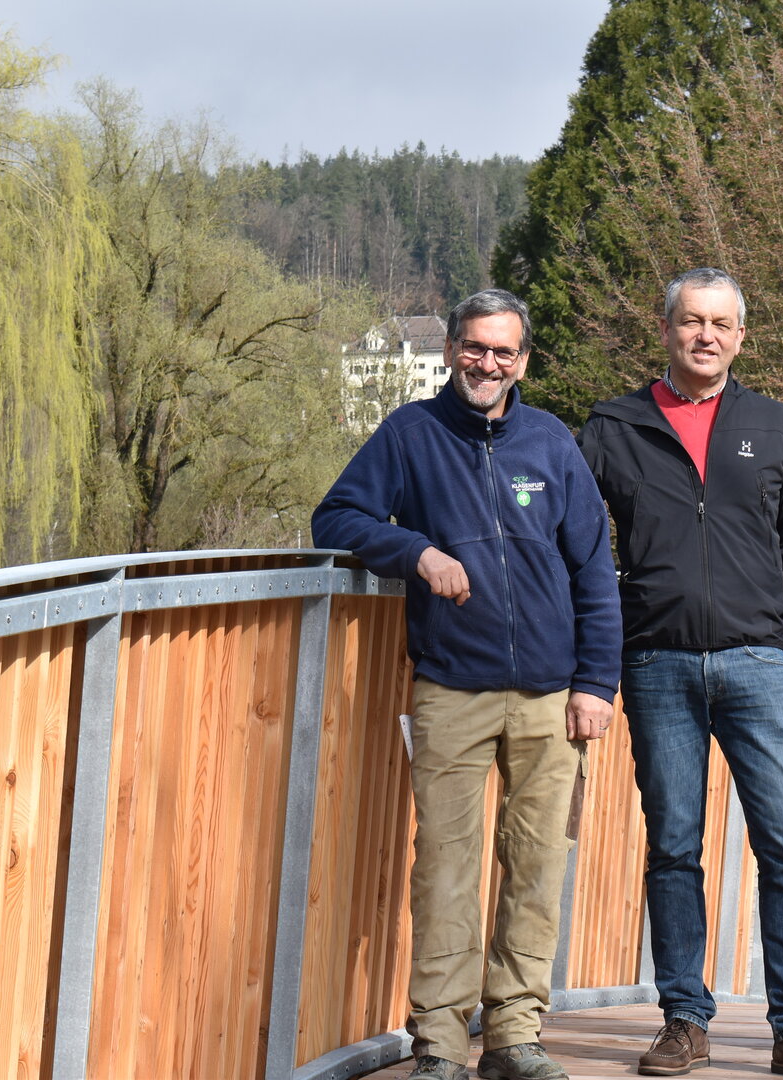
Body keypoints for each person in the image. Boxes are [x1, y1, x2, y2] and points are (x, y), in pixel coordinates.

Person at [311, 289, 622, 1080]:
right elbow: (336, 518)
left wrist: (596, 683)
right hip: (451, 687)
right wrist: (414, 551)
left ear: (524, 360)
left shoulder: (552, 443)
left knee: (538, 862)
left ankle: (515, 1034)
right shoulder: (410, 435)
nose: (489, 364)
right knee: (444, 867)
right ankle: (441, 1045)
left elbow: (593, 570)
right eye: (476, 348)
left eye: (504, 352)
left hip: (552, 693)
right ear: (452, 349)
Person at [579, 268, 783, 1080]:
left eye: (721, 324)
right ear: (664, 329)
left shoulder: (772, 426)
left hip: (755, 663)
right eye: (691, 321)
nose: (706, 336)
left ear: (740, 336)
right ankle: (683, 1021)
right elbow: (568, 540)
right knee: (671, 848)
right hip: (656, 663)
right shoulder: (612, 426)